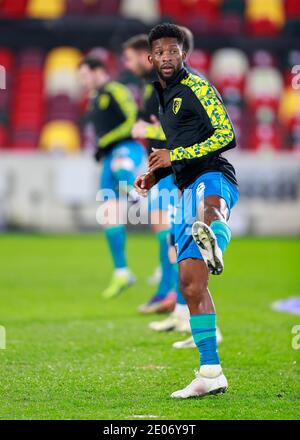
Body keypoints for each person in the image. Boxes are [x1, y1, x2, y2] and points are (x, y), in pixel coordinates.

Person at [134, 23, 239, 398]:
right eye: (160, 52)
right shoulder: (162, 96)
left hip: (213, 176)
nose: (166, 57)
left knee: (211, 210)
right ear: (151, 58)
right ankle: (211, 374)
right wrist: (154, 175)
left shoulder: (197, 86)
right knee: (192, 285)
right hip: (182, 188)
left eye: (173, 51)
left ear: (184, 54)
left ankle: (217, 243)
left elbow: (226, 134)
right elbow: (175, 151)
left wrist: (173, 155)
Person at [78, 56, 146, 299]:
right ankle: (122, 272)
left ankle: (137, 192)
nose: (83, 81)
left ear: (98, 71)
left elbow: (132, 119)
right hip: (109, 157)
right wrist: (101, 146)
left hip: (127, 146)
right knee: (108, 214)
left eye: (85, 75)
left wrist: (104, 142)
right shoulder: (93, 99)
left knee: (120, 166)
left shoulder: (116, 89)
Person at [123, 35, 176, 314]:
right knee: (164, 232)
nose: (127, 64)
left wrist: (148, 130)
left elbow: (174, 129)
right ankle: (168, 293)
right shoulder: (149, 88)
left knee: (169, 232)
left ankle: (173, 295)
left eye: (130, 58)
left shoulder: (161, 87)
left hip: (170, 168)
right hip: (158, 167)